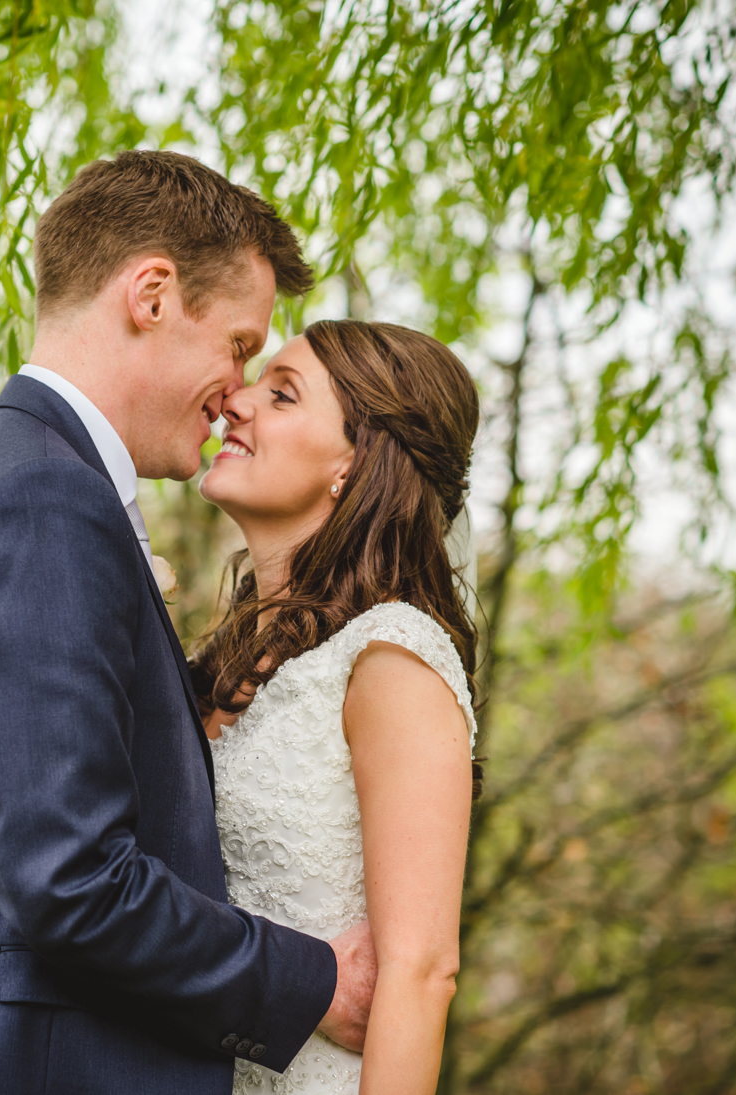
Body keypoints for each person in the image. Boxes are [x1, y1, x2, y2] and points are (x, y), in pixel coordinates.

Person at [0, 151, 378, 1095]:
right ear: (151, 293)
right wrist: (311, 980)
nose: (236, 390)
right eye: (239, 345)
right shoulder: (42, 500)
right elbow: (68, 878)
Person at [194, 321, 481, 1094]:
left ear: (354, 464)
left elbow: (422, 971)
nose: (234, 403)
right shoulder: (224, 666)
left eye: (280, 394)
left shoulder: (392, 658)